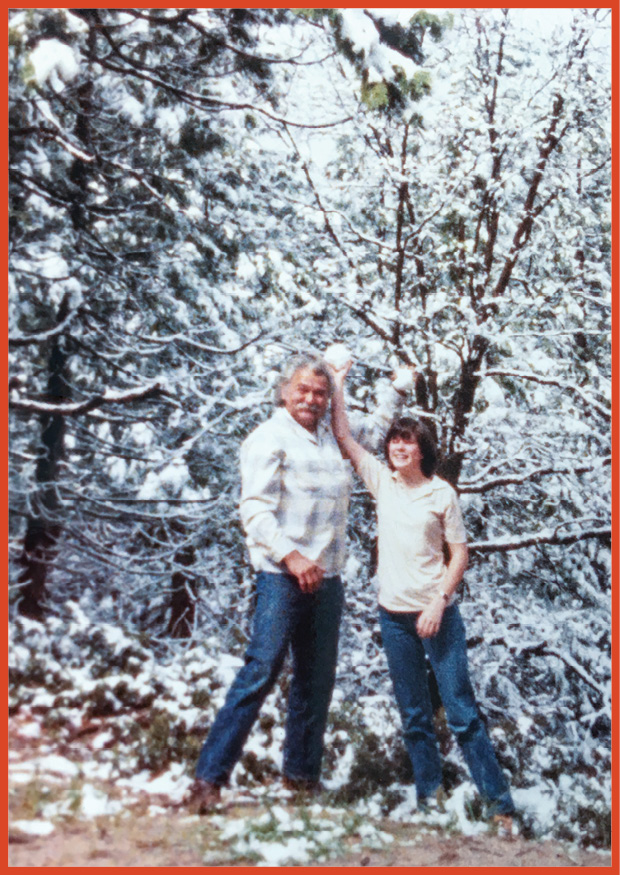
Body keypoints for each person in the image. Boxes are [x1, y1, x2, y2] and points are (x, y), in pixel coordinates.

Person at [187, 352, 404, 813]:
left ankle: (301, 780)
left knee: (315, 680)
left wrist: (396, 390)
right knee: (260, 671)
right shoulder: (267, 438)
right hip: (281, 577)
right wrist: (292, 556)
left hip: (327, 578)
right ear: (285, 391)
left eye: (320, 392)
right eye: (303, 390)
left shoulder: (330, 436)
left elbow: (372, 433)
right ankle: (208, 779)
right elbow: (254, 510)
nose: (311, 399)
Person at [329, 360, 515, 831]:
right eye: (394, 440)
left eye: (407, 441)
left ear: (421, 449)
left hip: (438, 616)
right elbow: (344, 436)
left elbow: (460, 554)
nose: (398, 446)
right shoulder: (381, 483)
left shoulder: (441, 494)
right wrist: (338, 380)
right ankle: (429, 796)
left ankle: (500, 807)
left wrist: (439, 602)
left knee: (461, 712)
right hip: (393, 617)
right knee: (414, 715)